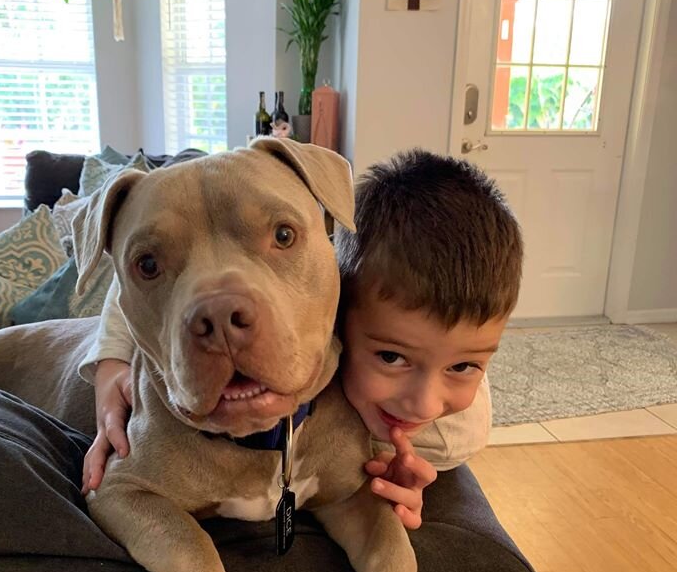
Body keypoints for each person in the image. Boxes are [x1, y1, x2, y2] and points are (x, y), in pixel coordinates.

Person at [80, 148, 523, 529]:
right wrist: (112, 360)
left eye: (283, 235)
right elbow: (133, 279)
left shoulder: (451, 432)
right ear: (344, 303)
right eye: (390, 356)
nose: (423, 405)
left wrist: (394, 489)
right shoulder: (347, 288)